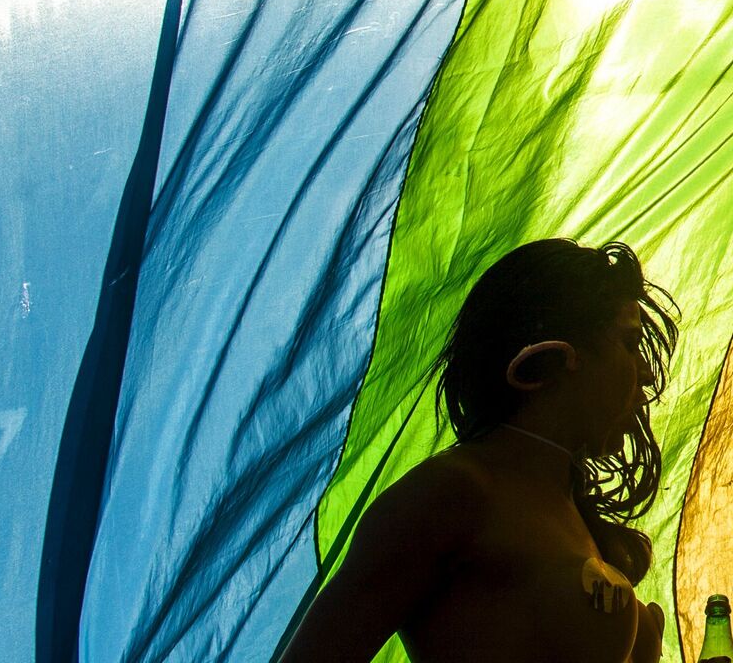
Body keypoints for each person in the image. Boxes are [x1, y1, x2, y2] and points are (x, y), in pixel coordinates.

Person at [278, 239, 678, 663]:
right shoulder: (453, 492)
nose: (647, 374)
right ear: (557, 355)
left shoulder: (566, 507)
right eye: (629, 343)